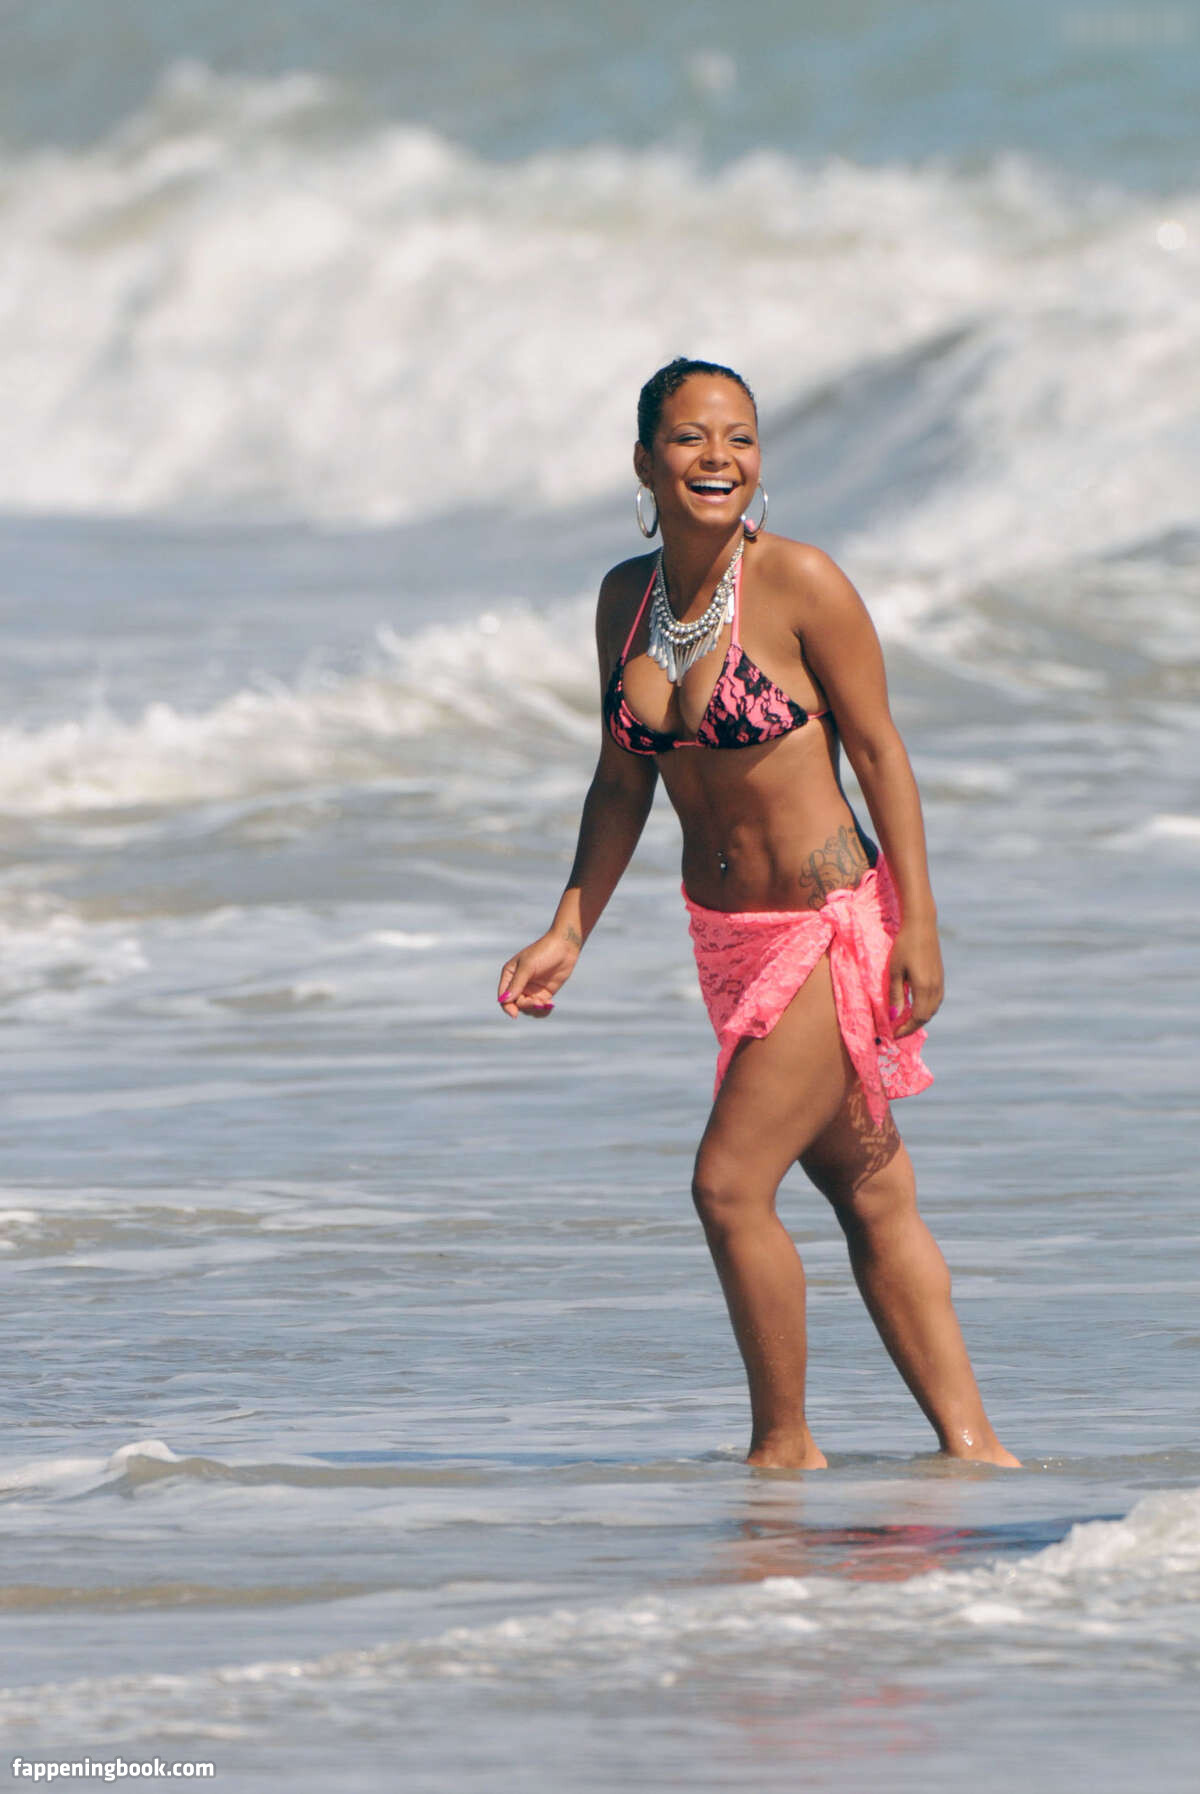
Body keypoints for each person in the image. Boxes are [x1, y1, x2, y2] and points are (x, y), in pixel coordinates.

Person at [497, 357, 1018, 1470]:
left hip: (830, 926)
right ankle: (975, 1452)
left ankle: (784, 1448)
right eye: (690, 438)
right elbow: (620, 782)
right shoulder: (624, 601)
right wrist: (567, 929)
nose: (718, 457)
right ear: (646, 463)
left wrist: (920, 925)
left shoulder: (800, 583)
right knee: (868, 1189)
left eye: (739, 437)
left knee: (729, 1187)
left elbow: (879, 754)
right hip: (726, 940)